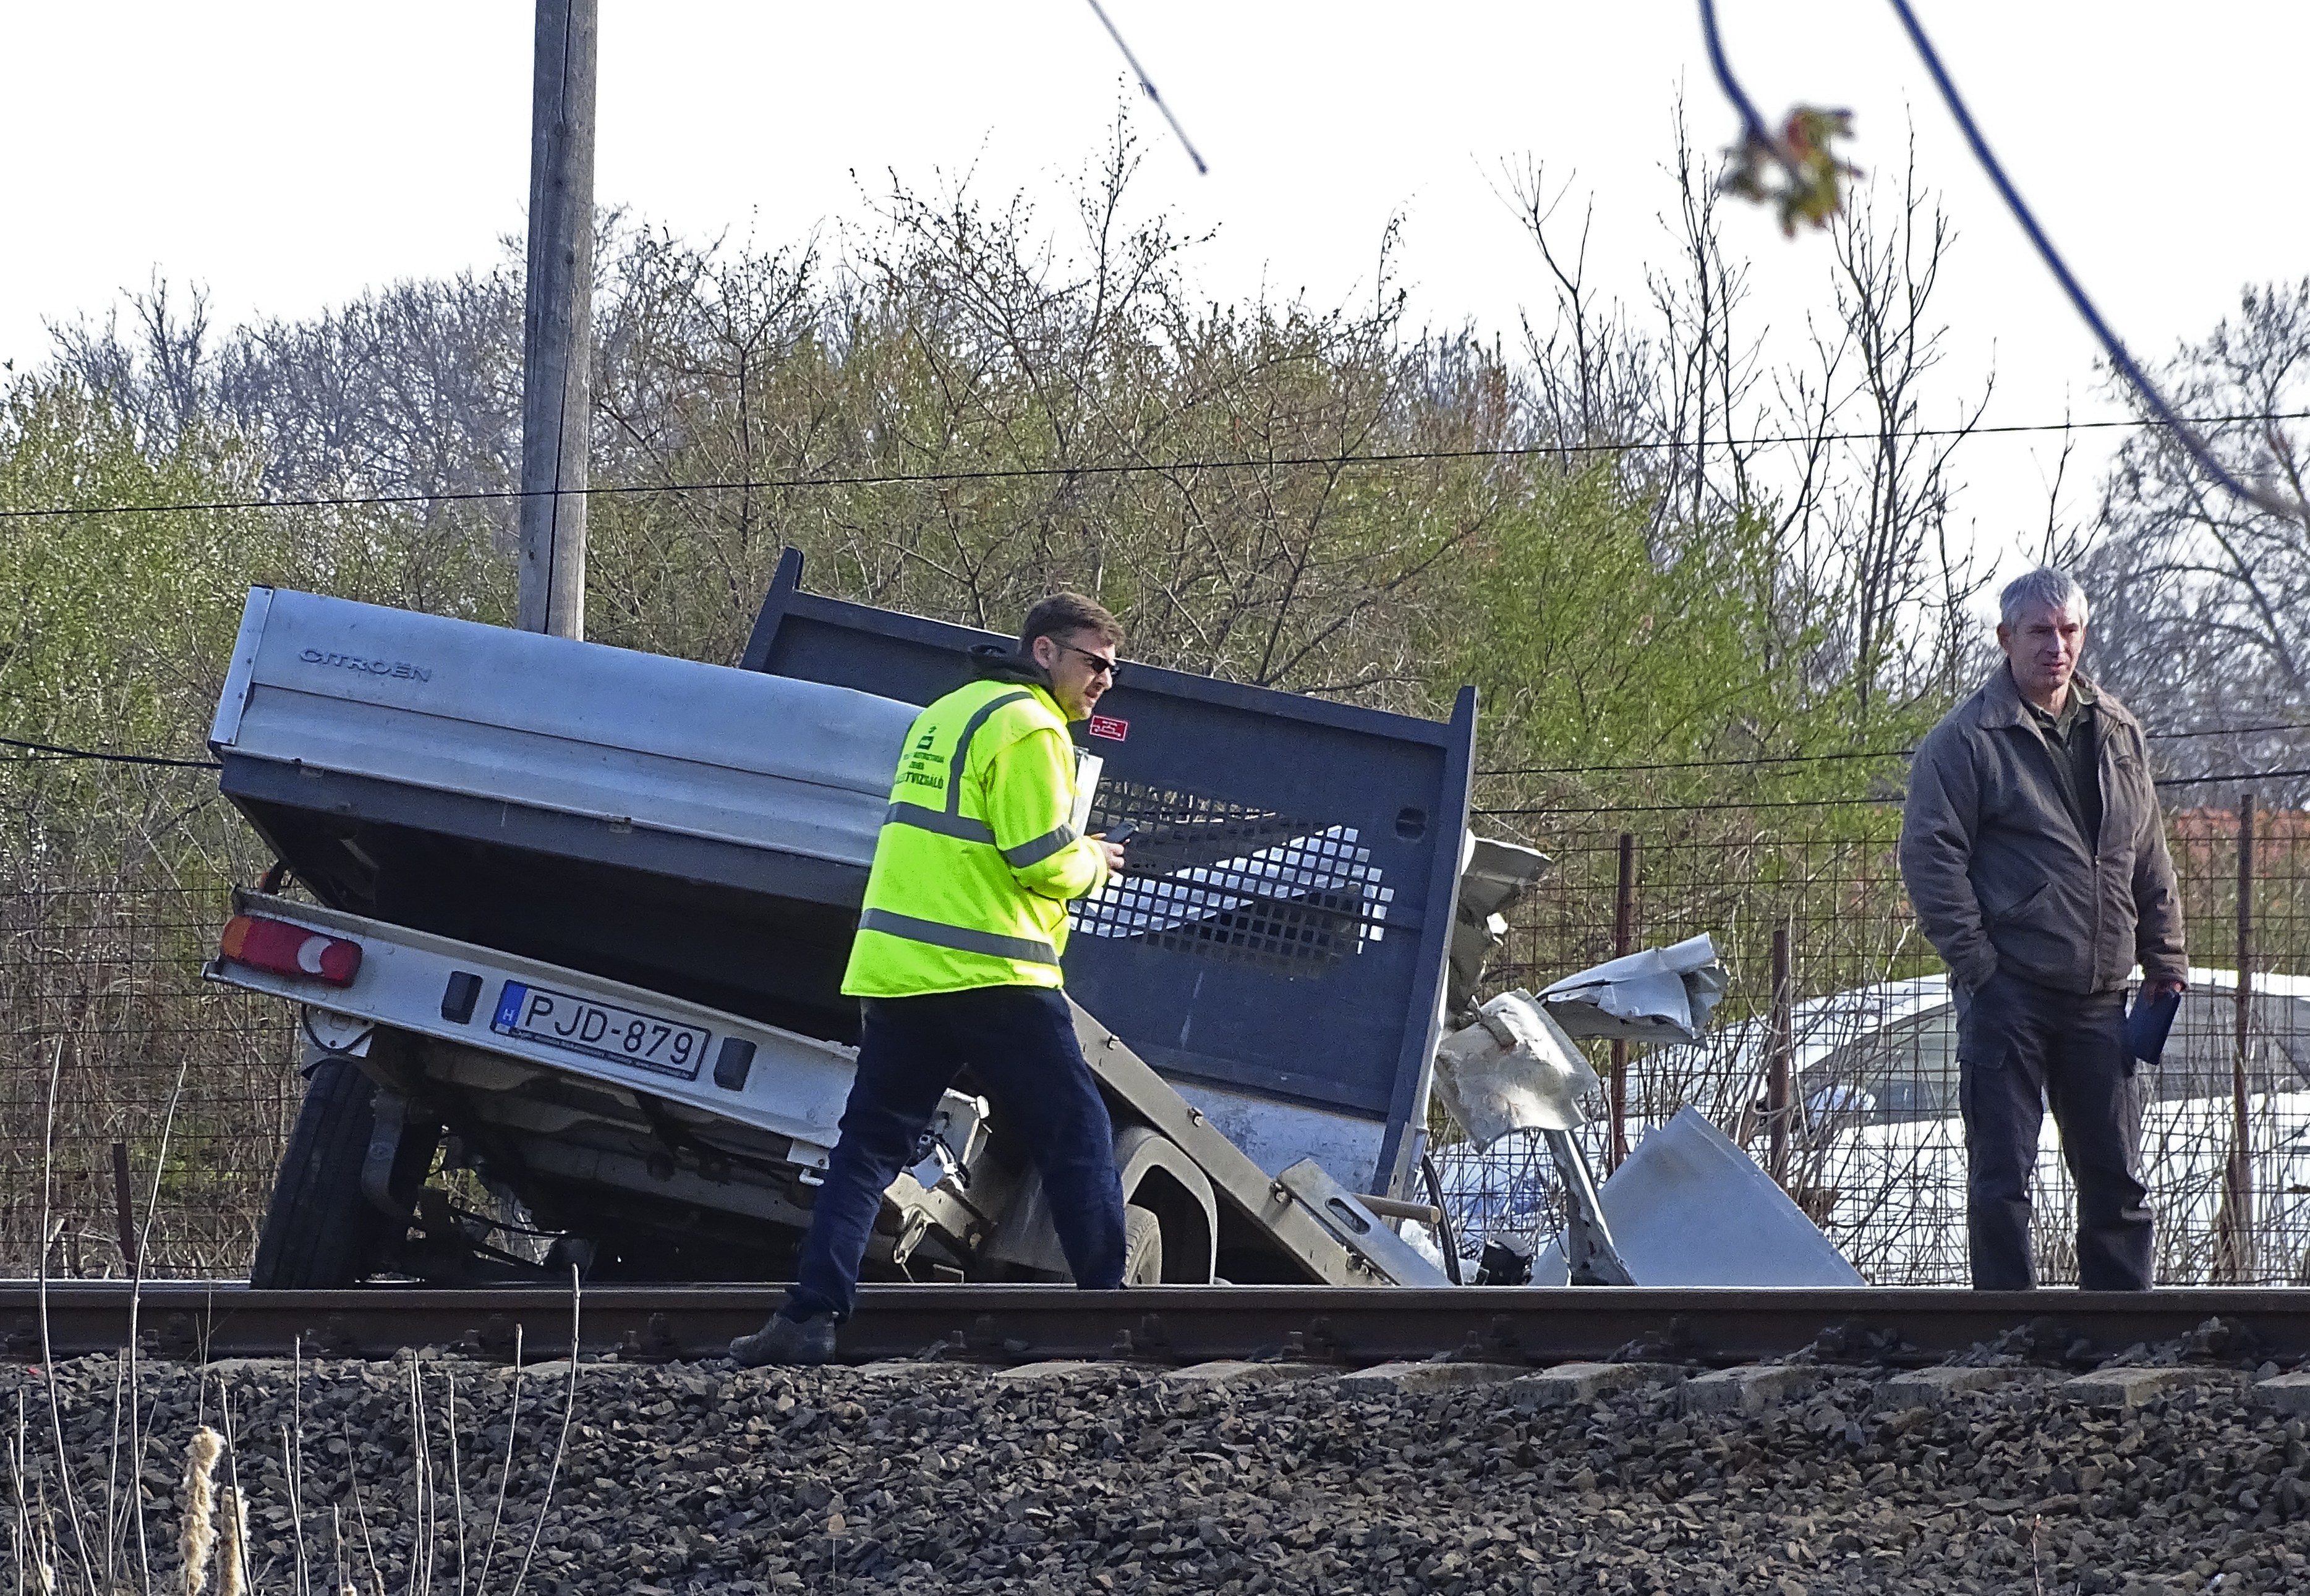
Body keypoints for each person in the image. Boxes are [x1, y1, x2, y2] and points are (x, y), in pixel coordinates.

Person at [731, 593, 1133, 1365]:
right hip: (992, 971)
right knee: (1076, 1132)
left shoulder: (946, 713)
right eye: (1096, 663)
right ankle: (1107, 1313)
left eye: (1113, 670)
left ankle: (809, 1317)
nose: (1105, 682)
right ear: (1045, 651)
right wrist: (1097, 860)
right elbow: (1042, 857)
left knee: (866, 1149)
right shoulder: (1031, 724)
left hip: (900, 973)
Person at [1899, 566, 2187, 1291]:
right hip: (2010, 993)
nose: (2055, 647)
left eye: (2068, 631)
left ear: (2081, 635)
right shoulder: (1965, 740)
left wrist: (2165, 957)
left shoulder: (2117, 731)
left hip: (2100, 994)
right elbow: (1929, 858)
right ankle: (2008, 1334)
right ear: (2005, 639)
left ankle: (2118, 1336)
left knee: (2114, 1176)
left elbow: (2147, 852)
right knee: (2003, 1177)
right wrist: (1980, 965)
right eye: (2038, 632)